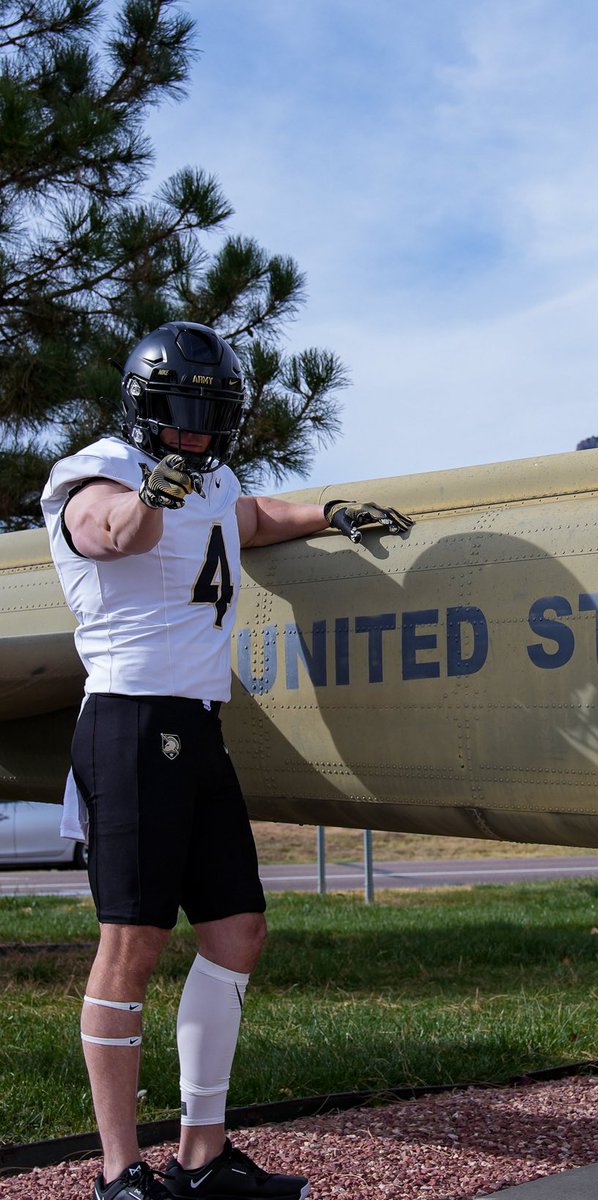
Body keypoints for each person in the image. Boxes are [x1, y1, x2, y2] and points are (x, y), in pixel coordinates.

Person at [40, 321, 412, 1200]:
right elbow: (112, 534)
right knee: (131, 945)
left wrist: (324, 512)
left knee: (238, 932)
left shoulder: (211, 477)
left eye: (211, 415)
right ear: (145, 409)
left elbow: (243, 517)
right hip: (130, 723)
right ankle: (119, 1173)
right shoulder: (96, 471)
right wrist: (155, 491)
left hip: (196, 727)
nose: (197, 432)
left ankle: (202, 1158)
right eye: (180, 414)